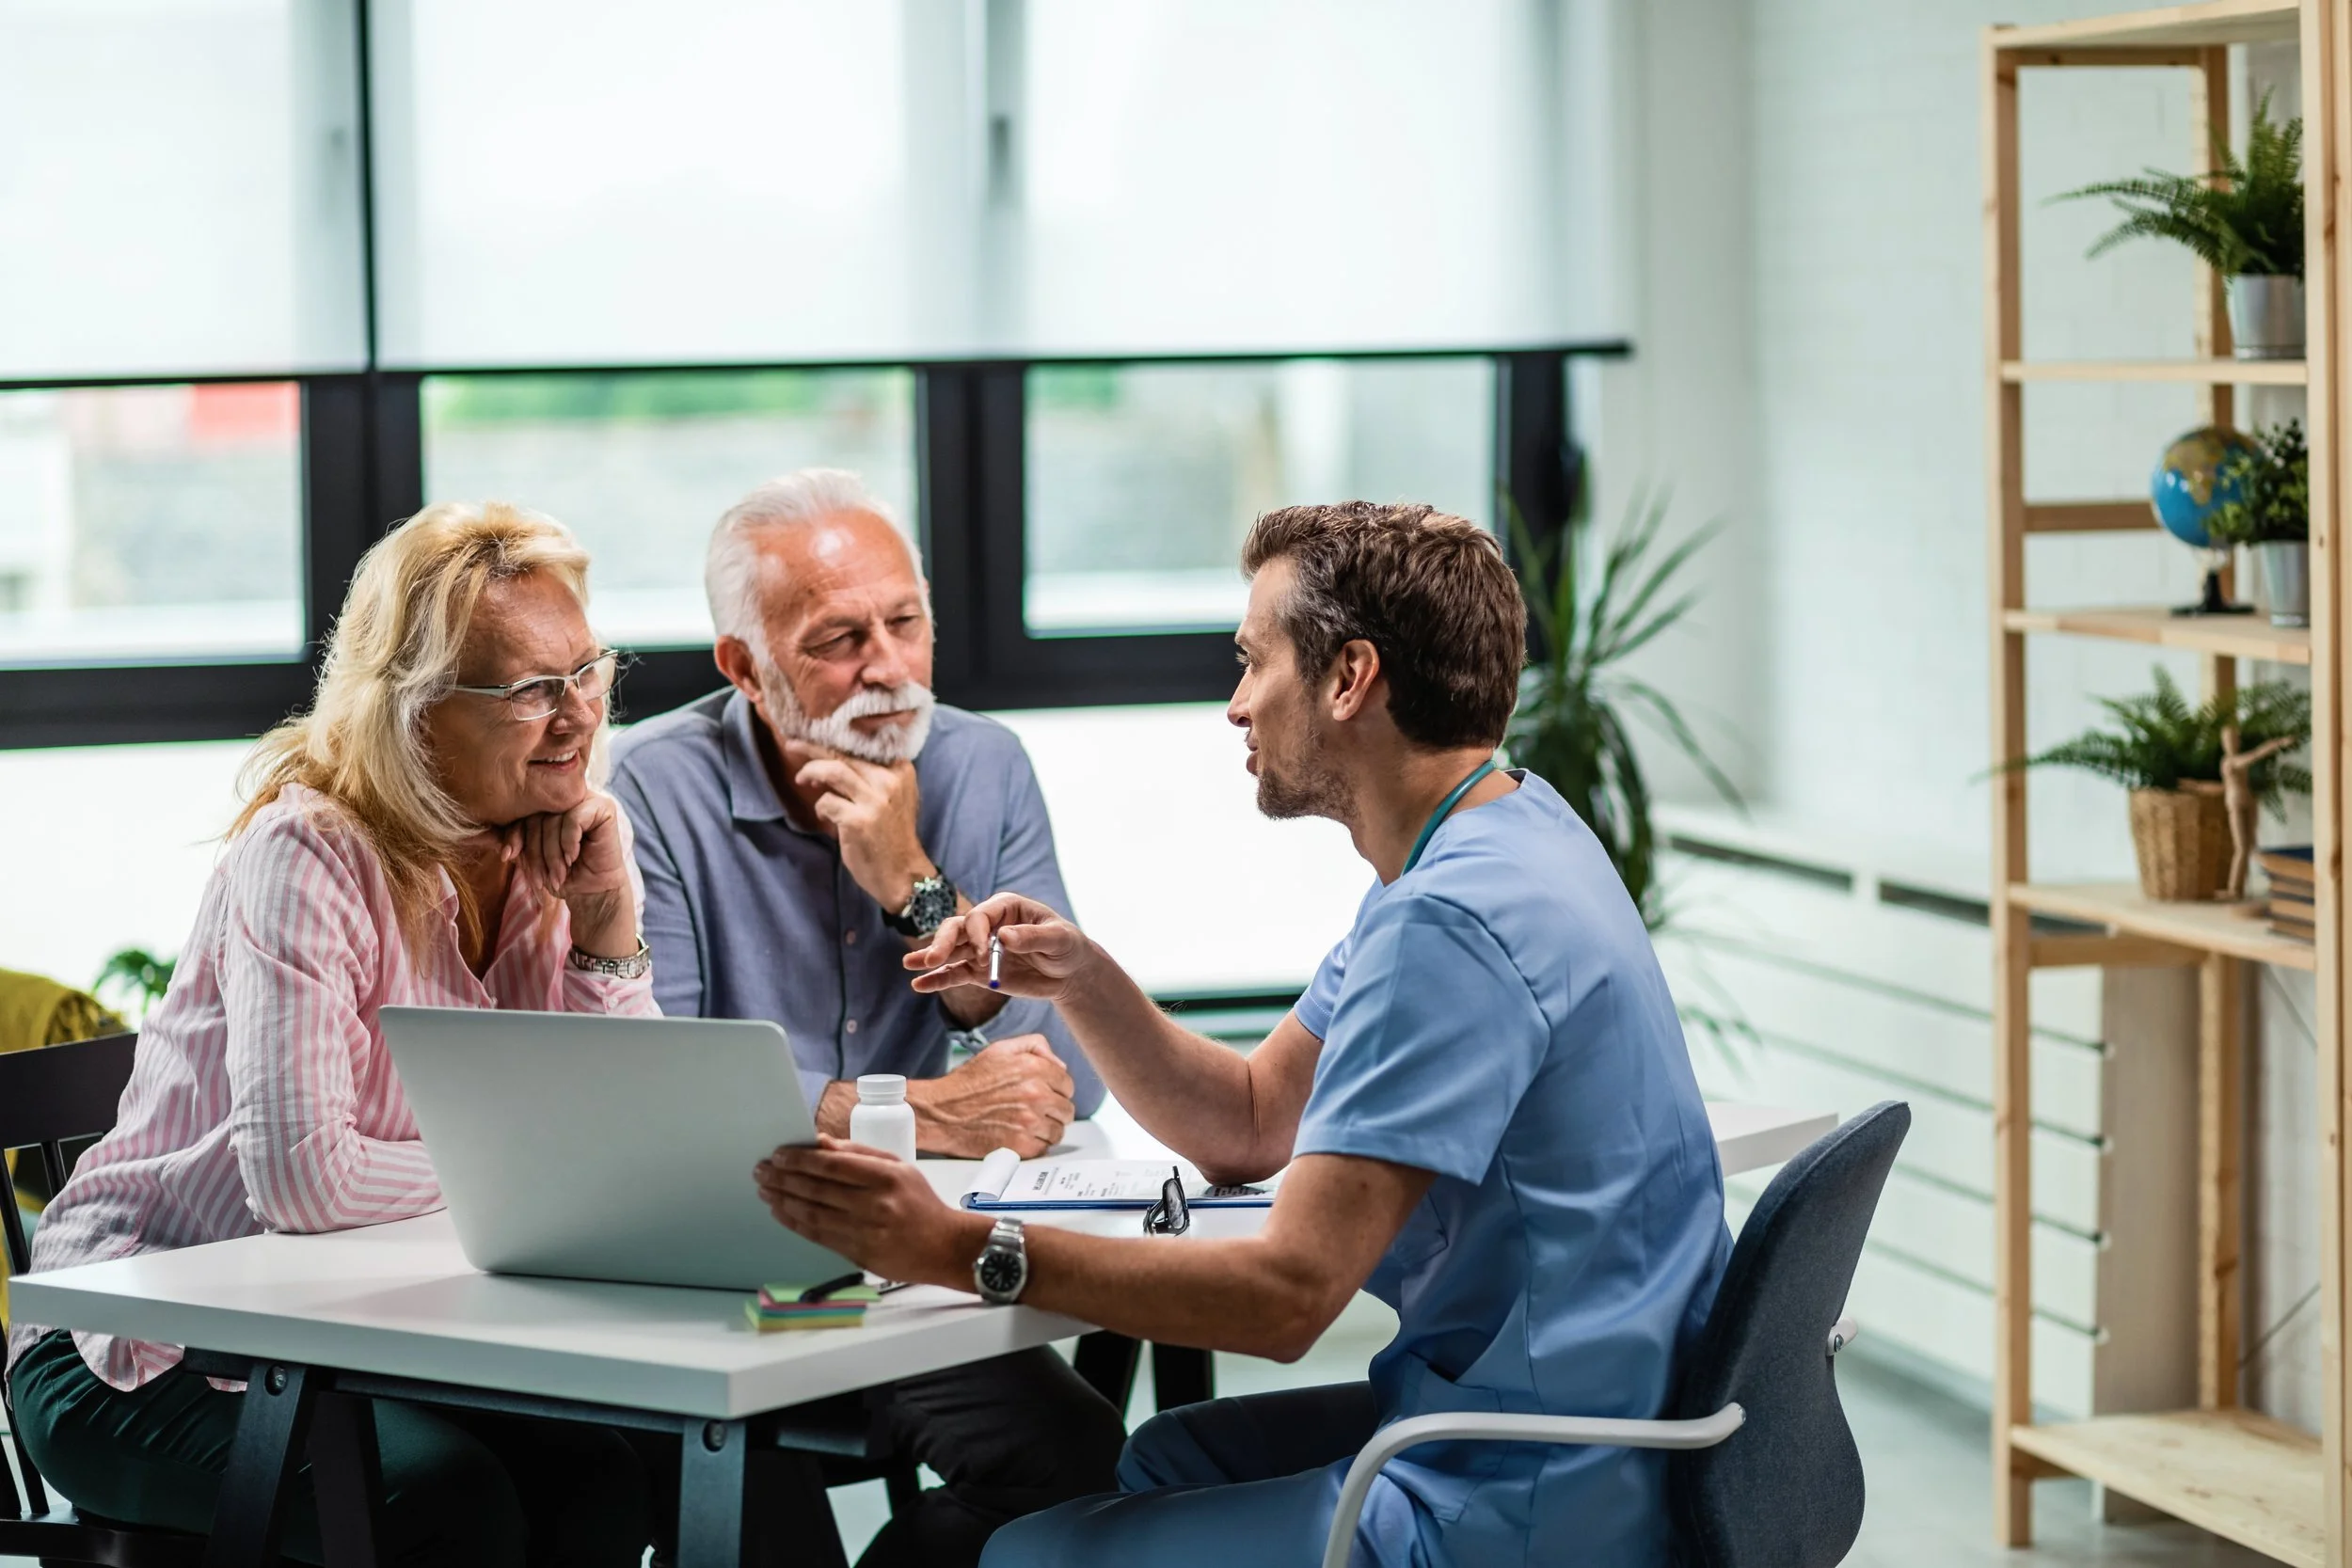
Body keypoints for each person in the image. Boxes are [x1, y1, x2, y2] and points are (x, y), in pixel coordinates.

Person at [755, 501, 1732, 1568]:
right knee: (1163, 1455)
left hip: (1526, 1489)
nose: (1234, 704)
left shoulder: (1445, 924)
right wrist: (1083, 978)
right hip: (1590, 1419)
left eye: (1251, 660)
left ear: (1349, 678)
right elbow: (1252, 1119)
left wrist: (953, 1247)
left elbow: (1283, 1299)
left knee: (1020, 1554)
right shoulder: (1502, 831)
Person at [6, 502, 654, 1568]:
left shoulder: (556, 843)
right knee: (446, 1499)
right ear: (414, 708)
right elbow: (304, 1181)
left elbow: (622, 1138)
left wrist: (606, 926)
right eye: (532, 687)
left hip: (359, 1336)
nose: (578, 714)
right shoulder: (308, 851)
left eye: (588, 670)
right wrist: (535, 1170)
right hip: (138, 1349)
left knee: (609, 1471)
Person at [608, 469, 1123, 1568]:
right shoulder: (650, 789)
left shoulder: (983, 766)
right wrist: (915, 1114)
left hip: (909, 1268)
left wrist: (916, 887)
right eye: (840, 638)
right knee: (738, 1458)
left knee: (1074, 1449)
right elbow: (663, 1086)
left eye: (906, 623)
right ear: (744, 667)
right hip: (734, 1275)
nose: (887, 669)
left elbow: (1075, 1064)